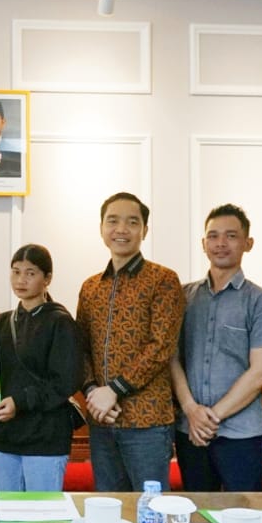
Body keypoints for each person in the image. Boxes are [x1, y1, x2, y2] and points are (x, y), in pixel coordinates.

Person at [170, 204, 262, 491]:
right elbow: (172, 359)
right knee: (197, 512)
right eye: (213, 236)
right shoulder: (183, 297)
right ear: (203, 244)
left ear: (248, 243)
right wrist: (191, 410)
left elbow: (260, 372)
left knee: (244, 513)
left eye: (231, 236)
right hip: (190, 430)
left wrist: (211, 418)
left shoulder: (261, 302)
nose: (221, 243)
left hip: (240, 434)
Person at [75, 192, 185, 491]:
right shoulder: (90, 287)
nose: (121, 229)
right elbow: (80, 348)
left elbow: (161, 346)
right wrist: (93, 393)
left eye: (132, 222)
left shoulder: (163, 279)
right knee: (108, 508)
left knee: (152, 508)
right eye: (113, 221)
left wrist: (114, 390)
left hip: (147, 421)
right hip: (102, 419)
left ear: (144, 230)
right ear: (101, 228)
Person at [0, 244, 83, 491]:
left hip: (45, 436)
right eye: (16, 272)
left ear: (47, 279)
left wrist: (19, 402)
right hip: (7, 435)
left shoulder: (60, 322)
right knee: (6, 510)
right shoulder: (2, 322)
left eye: (30, 273)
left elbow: (65, 381)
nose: (21, 280)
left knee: (42, 511)